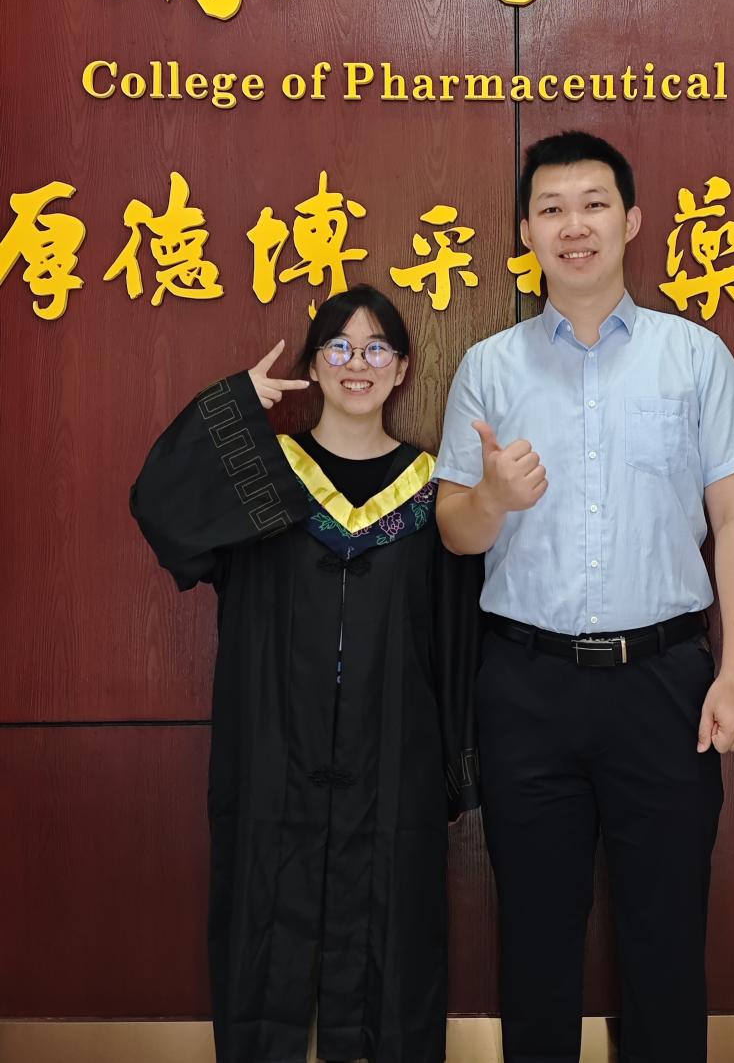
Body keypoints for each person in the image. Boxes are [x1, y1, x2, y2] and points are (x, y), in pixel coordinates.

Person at [434, 131, 734, 1063]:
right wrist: (493, 496)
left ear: (631, 220)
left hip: (664, 684)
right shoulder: (490, 367)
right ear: (525, 232)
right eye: (551, 209)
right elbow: (455, 527)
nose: (572, 225)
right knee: (535, 940)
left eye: (592, 204)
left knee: (667, 938)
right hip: (526, 685)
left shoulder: (694, 356)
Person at [131, 285, 481, 1063]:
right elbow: (159, 507)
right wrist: (232, 408)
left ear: (402, 368)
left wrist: (455, 761)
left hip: (392, 759)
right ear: (314, 365)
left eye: (377, 346)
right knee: (264, 917)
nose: (358, 362)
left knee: (396, 937)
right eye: (339, 346)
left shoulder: (436, 492)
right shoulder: (266, 478)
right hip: (275, 753)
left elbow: (460, 633)